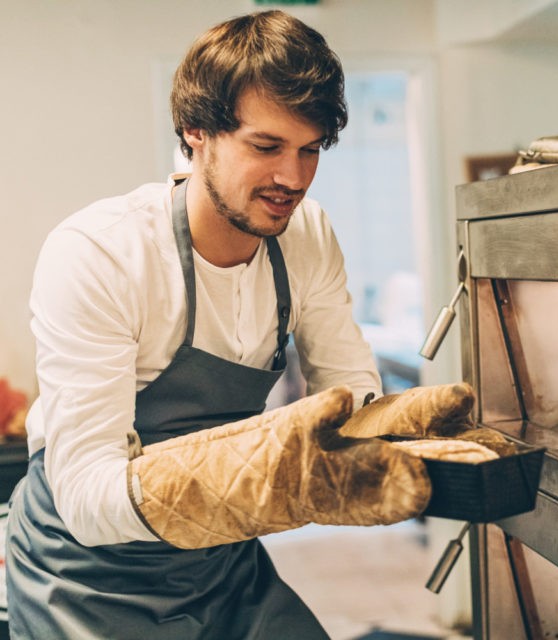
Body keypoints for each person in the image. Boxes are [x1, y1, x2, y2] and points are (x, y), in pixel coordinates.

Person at [6, 11, 475, 639]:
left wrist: (399, 441)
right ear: (195, 131)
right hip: (87, 575)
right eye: (266, 147)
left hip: (221, 561)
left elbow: (350, 387)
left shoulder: (306, 234)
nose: (294, 179)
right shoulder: (101, 253)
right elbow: (88, 498)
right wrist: (277, 485)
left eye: (310, 150)